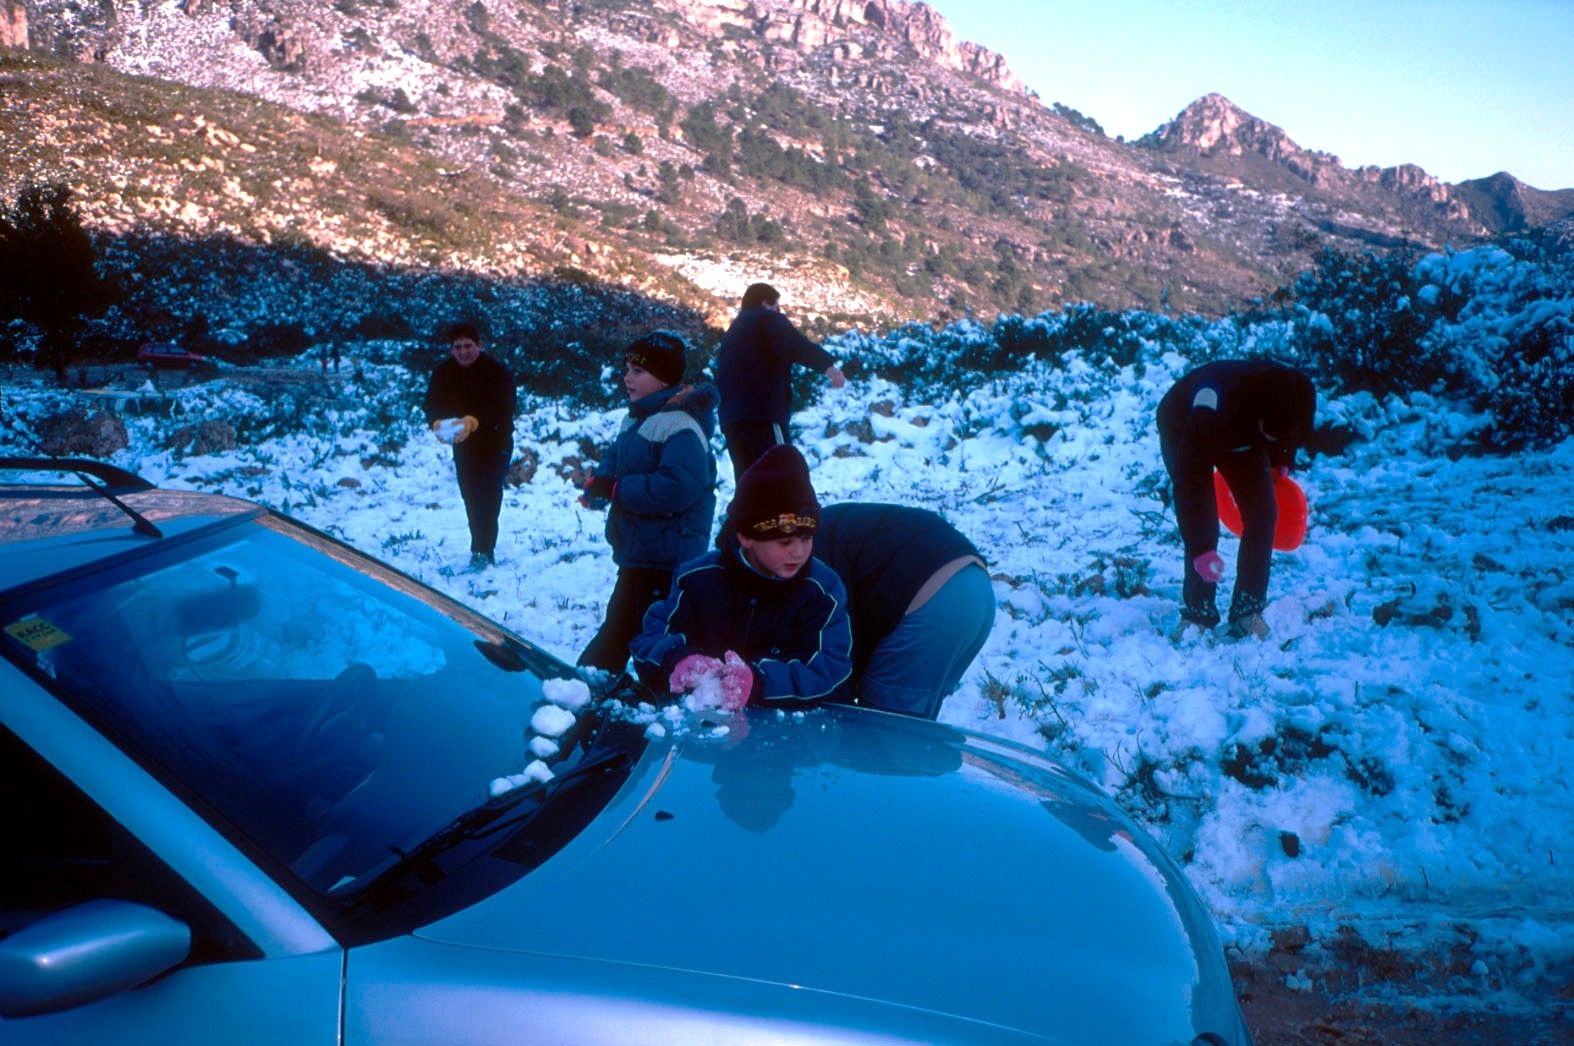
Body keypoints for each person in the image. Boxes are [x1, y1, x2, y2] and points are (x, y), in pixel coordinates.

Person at [631, 444, 853, 709]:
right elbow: (648, 640)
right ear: (746, 537)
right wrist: (678, 658)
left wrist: (759, 681)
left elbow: (831, 668)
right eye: (784, 542)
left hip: (788, 734)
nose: (798, 551)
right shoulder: (696, 578)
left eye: (806, 539)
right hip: (700, 728)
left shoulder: (822, 591)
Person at [576, 331, 718, 674]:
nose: (627, 377)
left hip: (666, 556)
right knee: (632, 628)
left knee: (626, 632)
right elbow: (619, 461)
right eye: (626, 369)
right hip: (642, 550)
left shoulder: (680, 425)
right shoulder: (639, 418)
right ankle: (629, 688)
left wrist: (617, 490)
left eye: (638, 372)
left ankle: (583, 688)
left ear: (664, 377)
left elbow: (678, 487)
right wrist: (599, 485)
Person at [1156, 358, 1316, 640]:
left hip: (1242, 435)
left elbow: (1290, 434)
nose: (1274, 441)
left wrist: (1281, 458)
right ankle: (1198, 613)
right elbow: (1190, 487)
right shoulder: (1212, 404)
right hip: (1183, 426)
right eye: (1270, 435)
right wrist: (1202, 549)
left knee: (1264, 513)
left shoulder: (1295, 394)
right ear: (1260, 416)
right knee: (1204, 520)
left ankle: (1247, 610)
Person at [813, 502, 994, 720]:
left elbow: (828, 676)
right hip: (976, 586)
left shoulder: (795, 559)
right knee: (914, 732)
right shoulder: (813, 532)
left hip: (931, 602)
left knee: (880, 736)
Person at [714, 282, 846, 479]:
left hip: (732, 420)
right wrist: (827, 366)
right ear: (766, 303)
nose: (779, 312)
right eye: (778, 307)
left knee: (748, 483)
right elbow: (794, 344)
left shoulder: (733, 332)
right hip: (763, 415)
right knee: (782, 476)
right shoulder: (766, 318)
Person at [423, 322, 516, 569]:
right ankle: (479, 545)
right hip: (464, 445)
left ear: (479, 345)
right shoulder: (443, 372)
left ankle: (484, 550)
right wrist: (437, 423)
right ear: (451, 349)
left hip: (496, 443)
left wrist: (475, 421)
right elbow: (431, 403)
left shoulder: (496, 372)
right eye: (458, 347)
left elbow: (504, 407)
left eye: (468, 346)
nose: (463, 351)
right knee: (471, 497)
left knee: (488, 495)